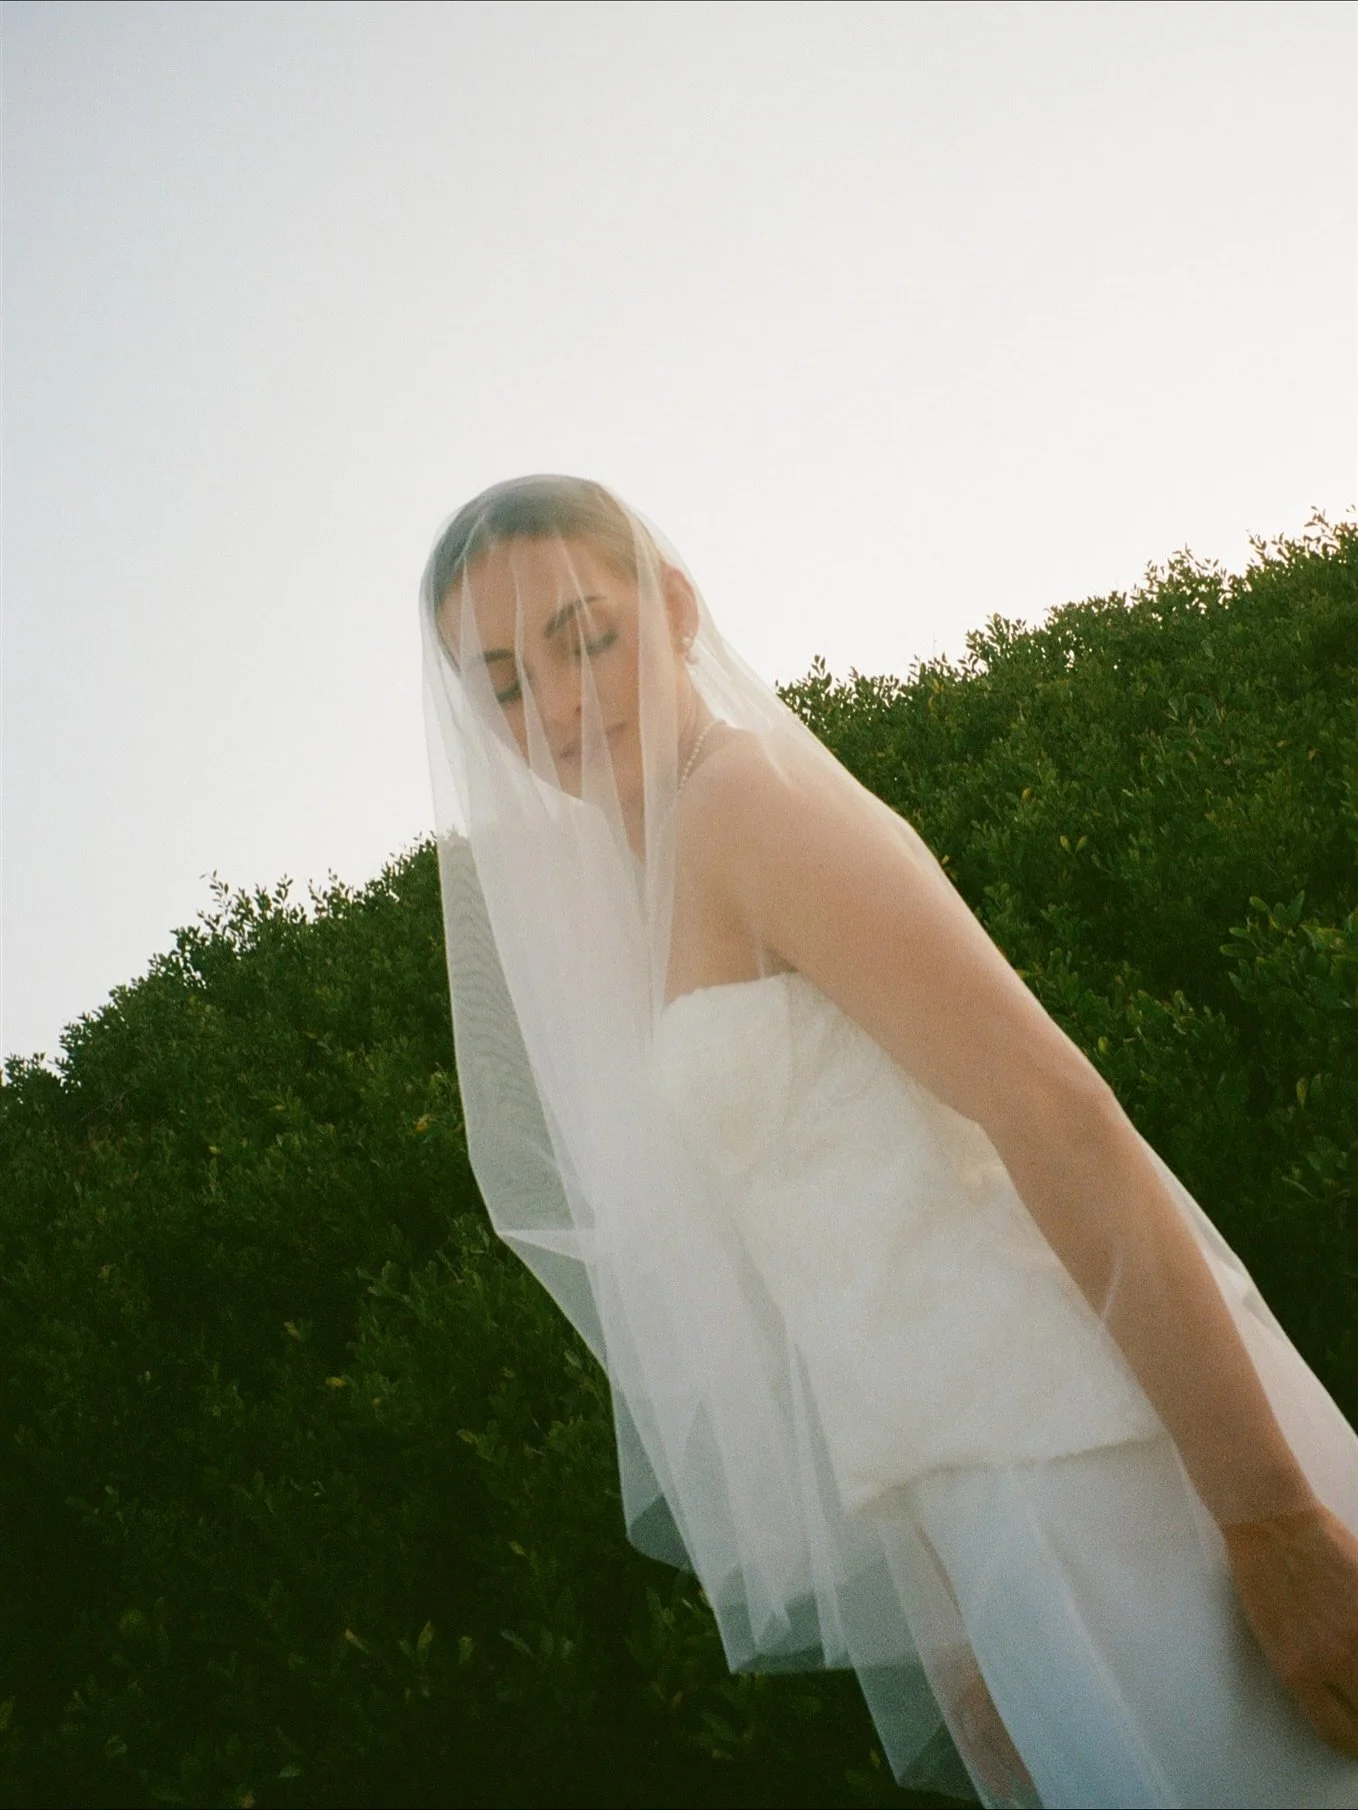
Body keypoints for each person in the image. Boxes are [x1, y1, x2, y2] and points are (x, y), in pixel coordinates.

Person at [420, 475, 1358, 1809]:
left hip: (1102, 1460)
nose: (558, 706)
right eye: (505, 682)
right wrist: (950, 1627)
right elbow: (814, 1270)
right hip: (979, 1504)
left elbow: (1056, 1113)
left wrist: (1269, 1524)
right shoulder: (653, 887)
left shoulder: (751, 807)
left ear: (672, 607)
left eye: (584, 635)